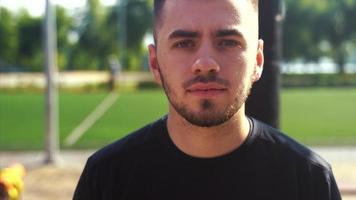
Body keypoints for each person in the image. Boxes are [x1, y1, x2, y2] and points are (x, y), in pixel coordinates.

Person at [73, 0, 341, 199]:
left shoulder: (308, 180)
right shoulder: (107, 180)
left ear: (258, 61)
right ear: (154, 63)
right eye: (184, 43)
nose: (205, 63)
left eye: (228, 42)